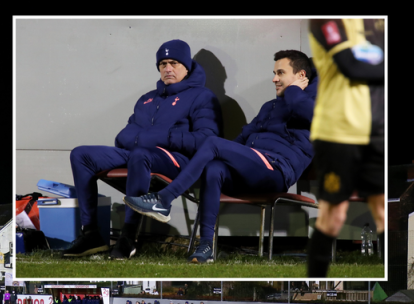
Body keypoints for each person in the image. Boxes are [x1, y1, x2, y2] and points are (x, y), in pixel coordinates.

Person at [125, 50, 318, 264]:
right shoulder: (269, 107)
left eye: (280, 73)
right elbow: (243, 138)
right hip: (254, 166)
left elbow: (306, 113)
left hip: (278, 170)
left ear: (301, 75)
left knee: (213, 143)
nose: (274, 79)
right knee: (215, 167)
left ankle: (164, 199)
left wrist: (293, 90)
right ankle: (206, 244)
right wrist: (220, 155)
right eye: (274, 73)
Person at [65, 39, 222, 259]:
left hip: (178, 161)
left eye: (174, 63)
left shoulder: (202, 97)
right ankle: (90, 233)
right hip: (140, 154)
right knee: (81, 154)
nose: (168, 68)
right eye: (163, 64)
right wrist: (145, 138)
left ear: (186, 67)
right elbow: (123, 137)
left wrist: (161, 137)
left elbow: (208, 140)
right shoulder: (147, 99)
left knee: (140, 154)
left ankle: (128, 237)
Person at [306, 19, 384, 278]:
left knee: (384, 211)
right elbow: (350, 65)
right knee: (333, 215)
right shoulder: (326, 20)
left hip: (377, 130)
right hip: (336, 131)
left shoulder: (375, 22)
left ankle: (396, 284)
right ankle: (315, 287)